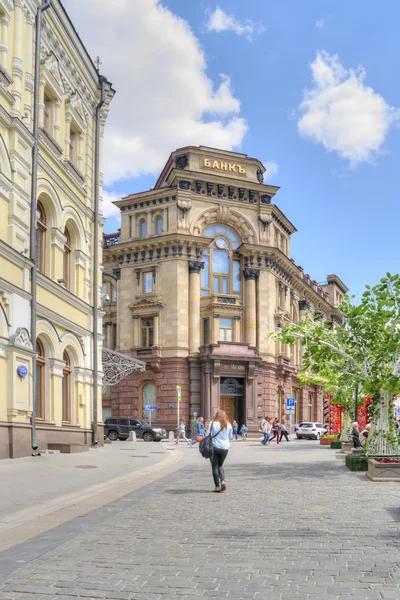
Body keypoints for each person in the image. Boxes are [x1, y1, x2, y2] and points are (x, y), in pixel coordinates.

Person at [207, 410, 233, 492]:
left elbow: (209, 435)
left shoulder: (212, 423)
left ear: (217, 416)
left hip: (215, 447)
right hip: (225, 448)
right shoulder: (228, 425)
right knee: (220, 465)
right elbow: (230, 437)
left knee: (215, 466)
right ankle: (223, 481)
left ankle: (217, 486)